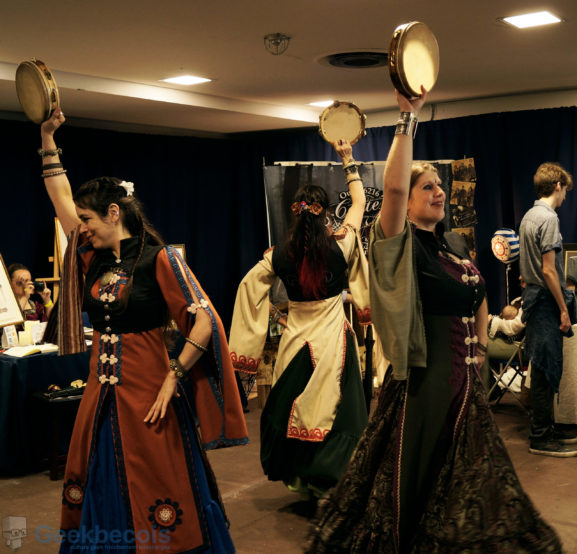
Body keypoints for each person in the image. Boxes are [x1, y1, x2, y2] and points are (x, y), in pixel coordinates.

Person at [306, 89, 563, 552]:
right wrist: (408, 117)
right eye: (427, 187)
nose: (439, 191)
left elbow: (477, 295)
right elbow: (393, 188)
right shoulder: (397, 242)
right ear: (405, 203)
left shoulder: (454, 245)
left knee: (473, 479)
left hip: (466, 380)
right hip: (426, 381)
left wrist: (480, 352)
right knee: (420, 474)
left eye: (440, 185)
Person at [39, 108, 248, 553]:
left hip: (149, 394)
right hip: (101, 395)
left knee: (158, 479)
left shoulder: (159, 260)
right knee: (97, 476)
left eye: (88, 219)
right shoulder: (92, 258)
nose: (82, 227)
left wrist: (174, 376)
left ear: (113, 213)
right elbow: (60, 201)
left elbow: (204, 321)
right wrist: (48, 140)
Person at [229, 139, 370, 500]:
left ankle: (301, 481)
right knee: (338, 411)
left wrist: (258, 334)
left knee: (293, 408)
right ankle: (332, 482)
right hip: (333, 343)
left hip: (295, 345)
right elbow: (359, 204)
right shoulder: (342, 243)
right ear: (325, 213)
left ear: (296, 213)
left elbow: (248, 287)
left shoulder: (279, 255)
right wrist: (348, 159)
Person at [519, 162, 577, 457]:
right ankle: (540, 437)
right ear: (557, 186)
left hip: (533, 296)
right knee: (544, 369)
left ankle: (546, 428)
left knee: (542, 367)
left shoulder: (529, 216)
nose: (565, 195)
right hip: (544, 300)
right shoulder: (548, 218)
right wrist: (563, 309)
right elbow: (549, 271)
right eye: (565, 189)